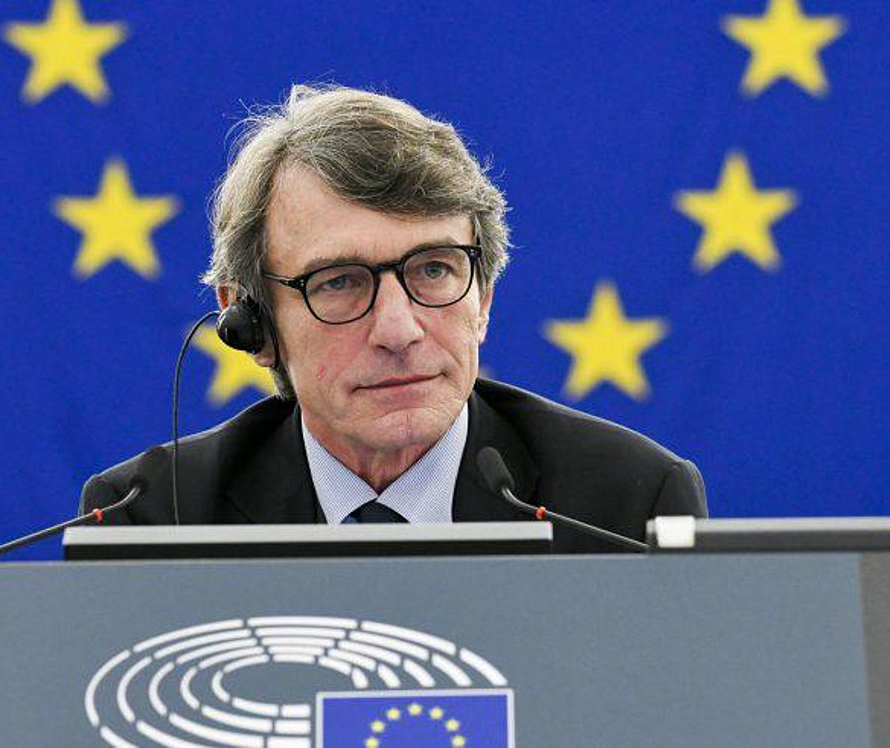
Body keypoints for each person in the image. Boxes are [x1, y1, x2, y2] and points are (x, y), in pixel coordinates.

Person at [80, 84, 706, 552]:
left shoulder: (625, 504)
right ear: (252, 323)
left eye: (434, 270)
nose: (399, 331)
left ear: (484, 298)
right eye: (340, 283)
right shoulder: (155, 518)